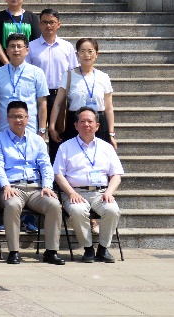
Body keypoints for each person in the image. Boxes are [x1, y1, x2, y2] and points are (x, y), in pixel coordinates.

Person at [0, 101, 64, 265]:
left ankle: (51, 251)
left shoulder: (37, 140)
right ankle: (14, 251)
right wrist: (5, 185)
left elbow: (45, 165)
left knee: (54, 205)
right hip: (12, 187)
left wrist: (47, 186)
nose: (18, 120)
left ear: (27, 118)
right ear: (7, 118)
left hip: (36, 188)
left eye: (21, 116)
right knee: (13, 205)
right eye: (13, 117)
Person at [54, 109, 123, 263]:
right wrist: (71, 193)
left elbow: (116, 174)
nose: (86, 124)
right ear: (76, 125)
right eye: (82, 121)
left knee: (112, 210)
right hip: (75, 193)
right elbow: (58, 174)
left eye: (90, 121)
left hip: (101, 193)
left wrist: (109, 192)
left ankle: (103, 249)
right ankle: (88, 248)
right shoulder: (65, 147)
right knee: (78, 211)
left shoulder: (106, 147)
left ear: (97, 126)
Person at [50, 38, 116, 148]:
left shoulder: (103, 77)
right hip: (75, 123)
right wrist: (52, 126)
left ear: (96, 54)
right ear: (77, 54)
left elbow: (108, 108)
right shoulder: (69, 75)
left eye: (90, 51)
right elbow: (57, 104)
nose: (86, 55)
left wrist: (111, 133)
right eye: (83, 51)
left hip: (98, 124)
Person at [0, 34, 50, 139]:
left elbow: (42, 103)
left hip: (29, 130)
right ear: (7, 51)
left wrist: (42, 130)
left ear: (27, 50)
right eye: (12, 46)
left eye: (19, 46)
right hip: (3, 129)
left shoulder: (37, 72)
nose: (16, 50)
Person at [29, 9, 79, 115]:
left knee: (59, 126)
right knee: (39, 125)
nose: (48, 26)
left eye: (52, 22)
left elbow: (73, 71)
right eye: (45, 22)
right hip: (37, 95)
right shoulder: (31, 47)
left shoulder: (67, 46)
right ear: (39, 25)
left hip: (60, 95)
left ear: (58, 24)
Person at [0, 0, 40, 68]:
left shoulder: (32, 17)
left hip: (27, 66)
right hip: (3, 65)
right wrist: (7, 63)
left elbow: (36, 41)